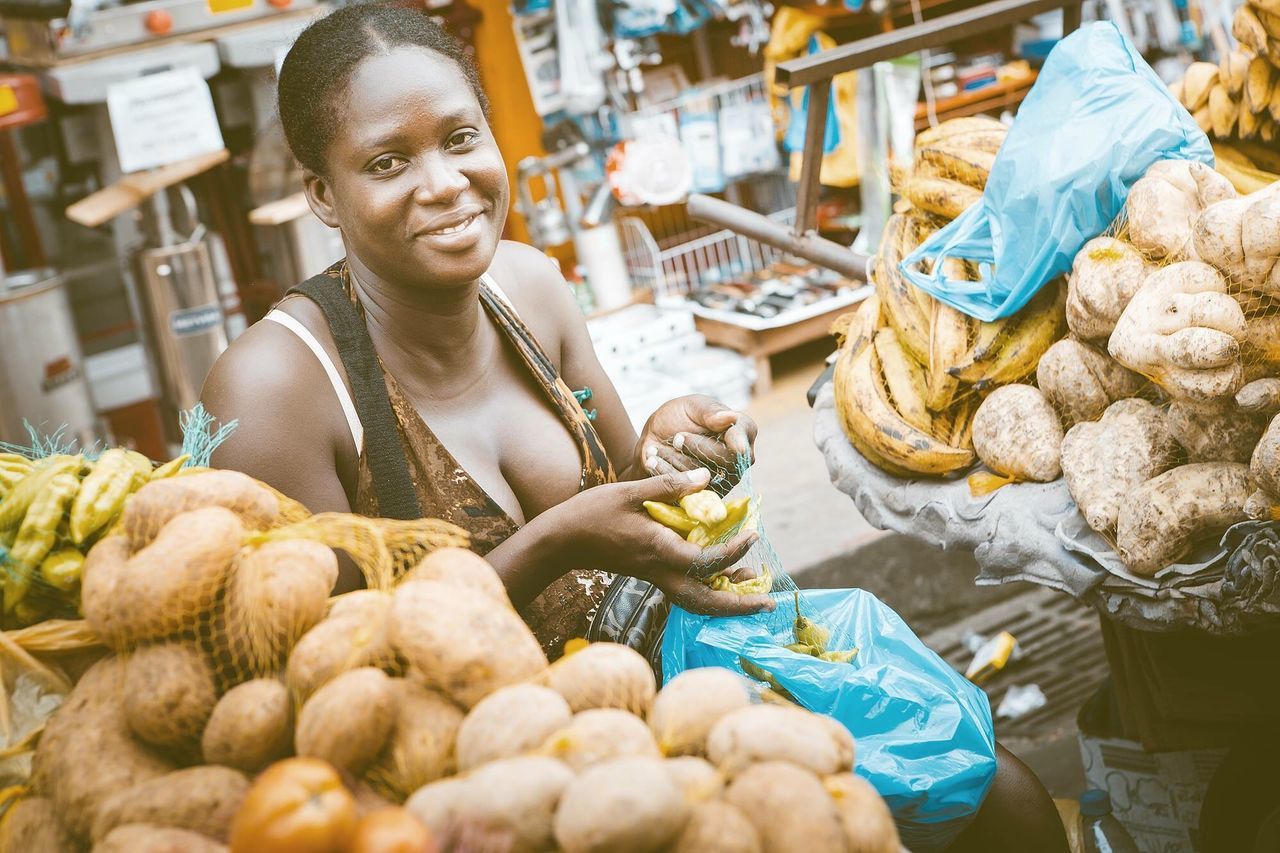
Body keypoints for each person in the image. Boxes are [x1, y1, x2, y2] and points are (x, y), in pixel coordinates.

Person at [200, 6, 1068, 851]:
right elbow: (335, 691)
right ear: (322, 192)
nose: (443, 183)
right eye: (388, 161)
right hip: (491, 773)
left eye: (461, 139)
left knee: (998, 793)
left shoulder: (530, 287)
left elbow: (628, 485)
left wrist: (672, 444)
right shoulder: (279, 388)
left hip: (669, 689)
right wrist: (556, 543)